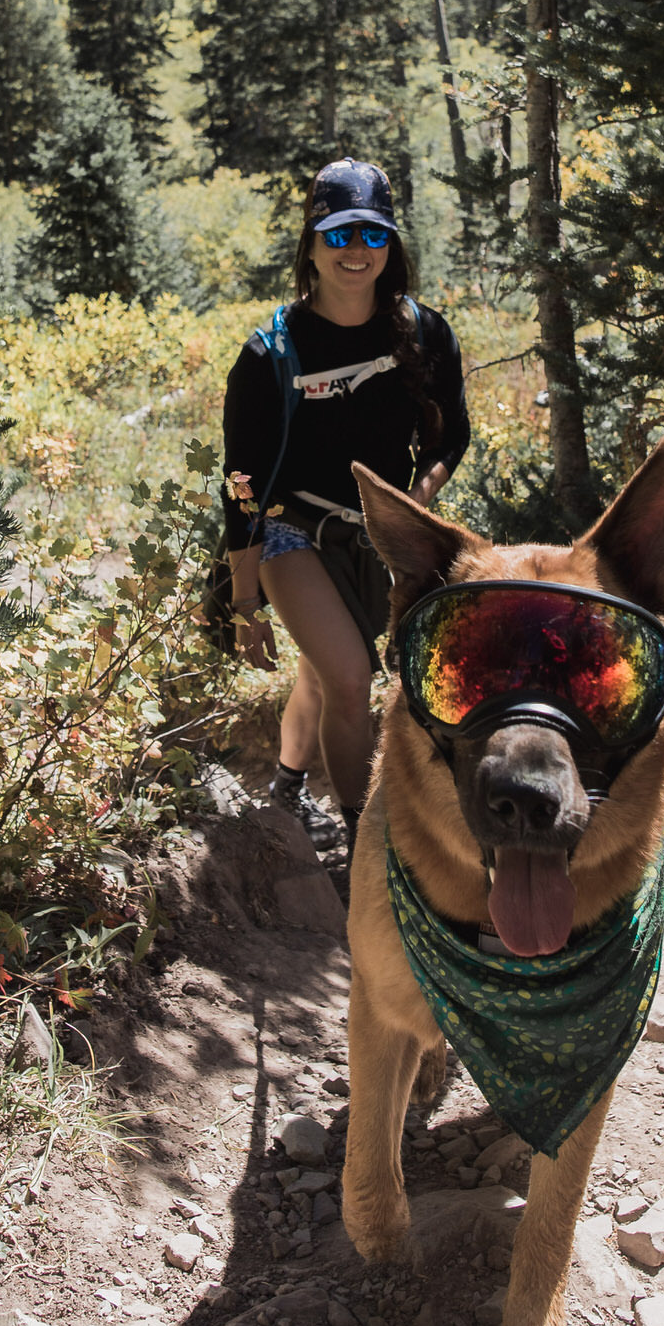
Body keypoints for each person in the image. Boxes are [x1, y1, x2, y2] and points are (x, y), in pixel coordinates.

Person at [222, 158, 470, 858]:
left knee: (324, 669)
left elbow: (453, 434)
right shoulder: (270, 352)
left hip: (381, 535)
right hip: (288, 531)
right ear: (309, 246)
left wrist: (416, 505)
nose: (355, 250)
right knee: (352, 675)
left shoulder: (425, 334)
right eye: (337, 235)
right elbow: (241, 483)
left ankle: (288, 784)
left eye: (371, 233)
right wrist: (245, 605)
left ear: (391, 245)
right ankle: (370, 840)